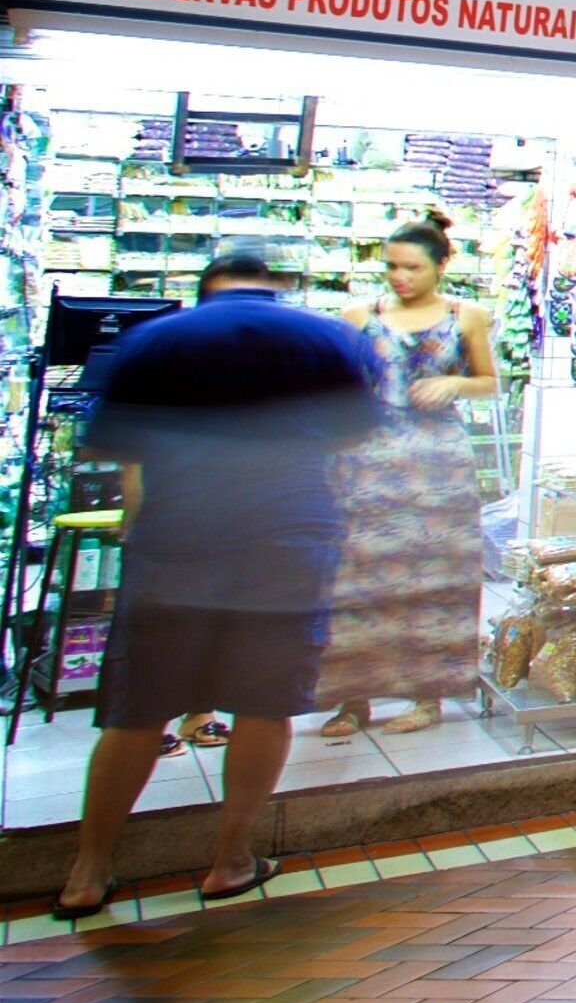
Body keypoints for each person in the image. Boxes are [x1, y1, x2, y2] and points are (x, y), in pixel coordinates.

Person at [53, 245, 384, 919]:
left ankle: (86, 875)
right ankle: (230, 860)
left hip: (176, 542)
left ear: (208, 290)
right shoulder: (332, 337)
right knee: (264, 705)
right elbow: (355, 438)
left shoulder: (151, 339)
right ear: (275, 289)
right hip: (287, 543)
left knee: (138, 710)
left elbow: (114, 450)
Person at [318, 215, 499, 740]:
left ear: (443, 265)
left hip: (439, 465)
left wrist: (454, 385)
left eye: (412, 267)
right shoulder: (357, 317)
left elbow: (489, 383)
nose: (400, 277)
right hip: (367, 463)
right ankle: (352, 699)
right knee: (359, 578)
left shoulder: (467, 317)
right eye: (392, 267)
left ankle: (429, 695)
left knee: (436, 580)